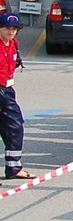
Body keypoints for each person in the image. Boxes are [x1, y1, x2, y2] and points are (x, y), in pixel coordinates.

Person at [0, 13, 29, 178]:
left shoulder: (14, 44)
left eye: (14, 29)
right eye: (6, 28)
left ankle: (14, 167)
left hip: (8, 91)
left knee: (15, 126)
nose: (10, 32)